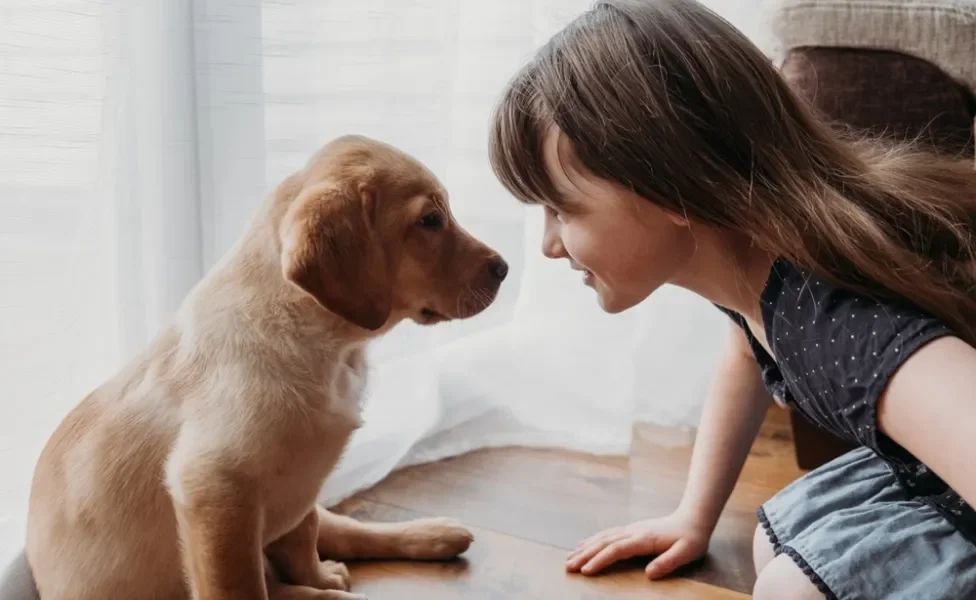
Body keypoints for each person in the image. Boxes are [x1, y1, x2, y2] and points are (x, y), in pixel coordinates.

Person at [486, 1, 976, 599]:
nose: (549, 246)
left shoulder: (841, 329)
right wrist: (693, 515)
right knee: (776, 544)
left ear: (671, 187)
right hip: (935, 456)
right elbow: (746, 347)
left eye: (562, 209)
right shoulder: (757, 265)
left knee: (791, 589)